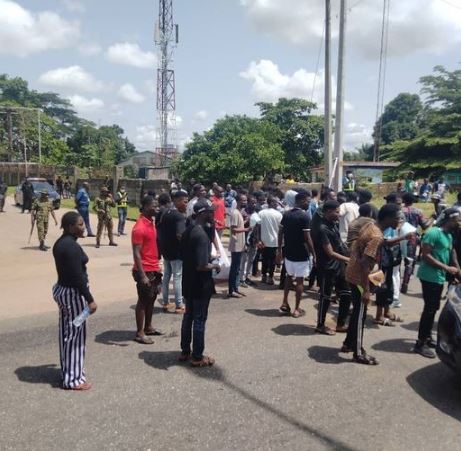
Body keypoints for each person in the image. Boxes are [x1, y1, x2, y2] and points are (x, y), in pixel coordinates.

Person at [342, 203, 401, 365]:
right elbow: (365, 264)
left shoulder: (371, 225)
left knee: (357, 313)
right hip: (360, 278)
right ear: (388, 218)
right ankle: (359, 352)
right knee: (360, 314)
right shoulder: (376, 236)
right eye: (398, 218)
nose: (400, 221)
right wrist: (366, 290)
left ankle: (348, 343)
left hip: (353, 273)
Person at [52, 211, 97, 390]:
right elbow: (77, 275)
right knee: (75, 337)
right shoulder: (70, 247)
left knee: (67, 333)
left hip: (63, 290)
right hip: (73, 295)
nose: (83, 226)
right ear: (71, 227)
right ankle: (73, 379)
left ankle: (68, 371)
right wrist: (90, 299)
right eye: (80, 224)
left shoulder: (62, 243)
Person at [414, 208, 461, 358]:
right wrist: (447, 268)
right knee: (429, 309)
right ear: (449, 220)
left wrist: (455, 272)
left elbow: (450, 253)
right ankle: (420, 343)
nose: (459, 222)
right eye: (458, 220)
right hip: (429, 277)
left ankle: (427, 337)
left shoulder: (449, 235)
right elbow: (426, 255)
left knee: (433, 308)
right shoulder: (433, 233)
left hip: (439, 276)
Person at [179, 199, 221, 367]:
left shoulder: (189, 231)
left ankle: (185, 351)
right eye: (211, 212)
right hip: (200, 284)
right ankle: (197, 356)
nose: (213, 214)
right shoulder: (202, 235)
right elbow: (202, 266)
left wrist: (207, 257)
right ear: (203, 214)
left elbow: (190, 255)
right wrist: (215, 265)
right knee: (199, 319)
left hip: (188, 281)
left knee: (188, 316)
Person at [313, 200, 351, 334]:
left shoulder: (333, 225)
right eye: (337, 212)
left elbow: (339, 244)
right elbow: (330, 252)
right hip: (327, 267)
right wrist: (349, 260)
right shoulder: (322, 228)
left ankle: (341, 324)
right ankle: (320, 325)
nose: (339, 214)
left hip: (339, 266)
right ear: (328, 212)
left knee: (346, 294)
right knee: (326, 297)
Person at [131, 195, 163, 344]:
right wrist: (143, 275)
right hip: (144, 269)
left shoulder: (151, 222)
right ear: (144, 207)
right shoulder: (139, 227)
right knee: (143, 301)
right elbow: (136, 253)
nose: (157, 208)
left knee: (152, 299)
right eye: (154, 206)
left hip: (153, 268)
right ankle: (139, 332)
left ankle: (149, 327)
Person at [277, 192, 314, 318]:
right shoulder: (304, 217)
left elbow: (280, 233)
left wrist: (279, 250)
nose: (309, 203)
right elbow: (307, 238)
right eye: (308, 201)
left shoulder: (286, 214)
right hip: (301, 254)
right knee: (300, 281)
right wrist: (314, 253)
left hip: (288, 252)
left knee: (288, 277)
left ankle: (284, 302)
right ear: (302, 201)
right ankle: (297, 309)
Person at [157, 191, 188, 314]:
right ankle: (179, 304)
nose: (186, 204)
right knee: (177, 277)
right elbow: (180, 235)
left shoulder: (163, 213)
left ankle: (165, 302)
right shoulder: (178, 216)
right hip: (176, 251)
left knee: (167, 276)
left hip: (166, 250)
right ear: (177, 200)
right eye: (185, 201)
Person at [400, 192, 431, 294]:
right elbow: (425, 226)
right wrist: (433, 218)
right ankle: (405, 283)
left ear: (403, 200)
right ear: (413, 201)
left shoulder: (399, 211)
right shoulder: (418, 211)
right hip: (412, 238)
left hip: (399, 237)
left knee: (395, 262)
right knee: (409, 261)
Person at [258, 196, 283, 285]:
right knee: (272, 260)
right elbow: (281, 229)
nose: (277, 204)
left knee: (264, 259)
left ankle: (264, 276)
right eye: (275, 202)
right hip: (274, 241)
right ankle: (270, 277)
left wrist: (259, 239)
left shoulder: (261, 213)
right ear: (271, 203)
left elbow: (258, 227)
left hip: (263, 240)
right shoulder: (279, 215)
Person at [228, 194, 248, 298]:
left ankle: (236, 288)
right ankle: (231, 290)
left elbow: (238, 225)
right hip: (236, 245)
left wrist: (246, 221)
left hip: (240, 244)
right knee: (234, 268)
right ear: (238, 201)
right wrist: (247, 229)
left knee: (238, 268)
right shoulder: (235, 213)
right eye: (243, 200)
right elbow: (233, 229)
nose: (245, 202)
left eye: (245, 200)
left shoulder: (239, 213)